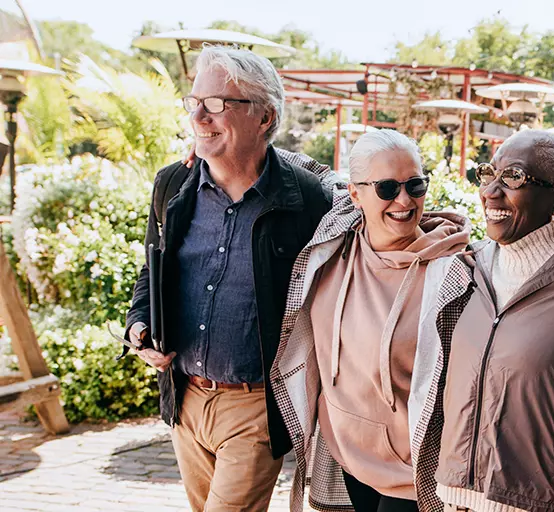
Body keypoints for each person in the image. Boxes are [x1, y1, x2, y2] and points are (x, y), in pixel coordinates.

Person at [123, 46, 333, 511]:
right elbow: (152, 271)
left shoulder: (308, 199)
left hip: (255, 406)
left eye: (217, 104)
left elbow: (368, 205)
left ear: (264, 117)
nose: (198, 116)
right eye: (194, 102)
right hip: (184, 399)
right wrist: (139, 326)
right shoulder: (172, 184)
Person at [411, 130, 554, 512]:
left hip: (537, 502)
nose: (491, 191)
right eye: (489, 173)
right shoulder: (471, 266)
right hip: (455, 496)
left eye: (514, 178)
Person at [271, 129, 471, 512]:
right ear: (355, 194)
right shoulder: (336, 239)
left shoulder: (453, 273)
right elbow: (298, 164)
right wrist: (212, 150)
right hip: (348, 455)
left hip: (414, 469)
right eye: (387, 188)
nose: (404, 200)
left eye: (415, 185)